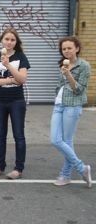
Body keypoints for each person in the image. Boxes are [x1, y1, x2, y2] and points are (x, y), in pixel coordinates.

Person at [0, 28, 30, 179]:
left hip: (16, 101)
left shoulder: (21, 57)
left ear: (16, 42)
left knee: (19, 135)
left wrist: (9, 65)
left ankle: (18, 168)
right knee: (0, 135)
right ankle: (0, 166)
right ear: (2, 40)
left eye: (12, 40)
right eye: (7, 39)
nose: (9, 42)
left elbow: (23, 79)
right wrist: (12, 80)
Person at [50, 36, 92, 187]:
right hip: (59, 105)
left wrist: (68, 74)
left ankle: (65, 175)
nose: (66, 51)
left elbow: (79, 90)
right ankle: (82, 167)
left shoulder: (84, 66)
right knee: (55, 139)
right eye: (63, 49)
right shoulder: (62, 64)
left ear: (77, 49)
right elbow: (60, 84)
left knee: (66, 141)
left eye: (69, 48)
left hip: (72, 106)